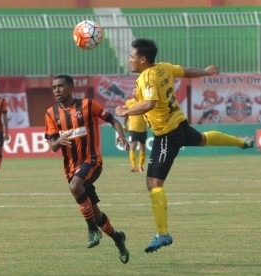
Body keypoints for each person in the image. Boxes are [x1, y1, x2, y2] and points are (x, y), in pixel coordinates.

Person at [115, 38, 254, 253]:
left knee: (154, 183)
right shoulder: (163, 67)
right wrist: (206, 72)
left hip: (167, 134)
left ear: (143, 59)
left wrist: (125, 111)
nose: (129, 60)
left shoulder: (147, 77)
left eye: (132, 57)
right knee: (204, 139)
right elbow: (187, 71)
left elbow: (149, 104)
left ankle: (162, 234)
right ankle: (241, 142)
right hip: (179, 123)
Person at [45, 75, 130, 264]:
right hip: (70, 168)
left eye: (60, 86)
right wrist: (58, 141)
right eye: (54, 87)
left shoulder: (88, 105)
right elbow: (52, 146)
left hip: (92, 161)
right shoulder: (51, 113)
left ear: (71, 87)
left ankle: (91, 229)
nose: (57, 90)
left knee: (76, 187)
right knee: (95, 212)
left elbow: (113, 120)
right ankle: (118, 238)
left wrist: (121, 135)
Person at [123, 88, 147, 173]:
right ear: (132, 93)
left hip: (143, 128)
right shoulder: (129, 102)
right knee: (132, 146)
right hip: (132, 128)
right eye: (134, 91)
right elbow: (126, 114)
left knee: (142, 148)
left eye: (137, 91)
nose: (135, 92)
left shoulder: (144, 102)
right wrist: (124, 125)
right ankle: (134, 167)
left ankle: (140, 167)